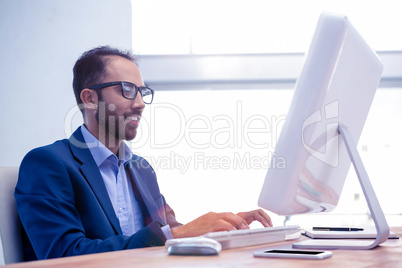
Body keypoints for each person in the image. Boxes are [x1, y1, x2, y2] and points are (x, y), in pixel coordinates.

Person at [14, 46, 272, 261]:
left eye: (142, 92)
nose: (139, 103)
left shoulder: (140, 167)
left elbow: (168, 229)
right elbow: (65, 256)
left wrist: (223, 229)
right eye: (126, 90)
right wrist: (178, 235)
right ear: (90, 99)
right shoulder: (48, 163)